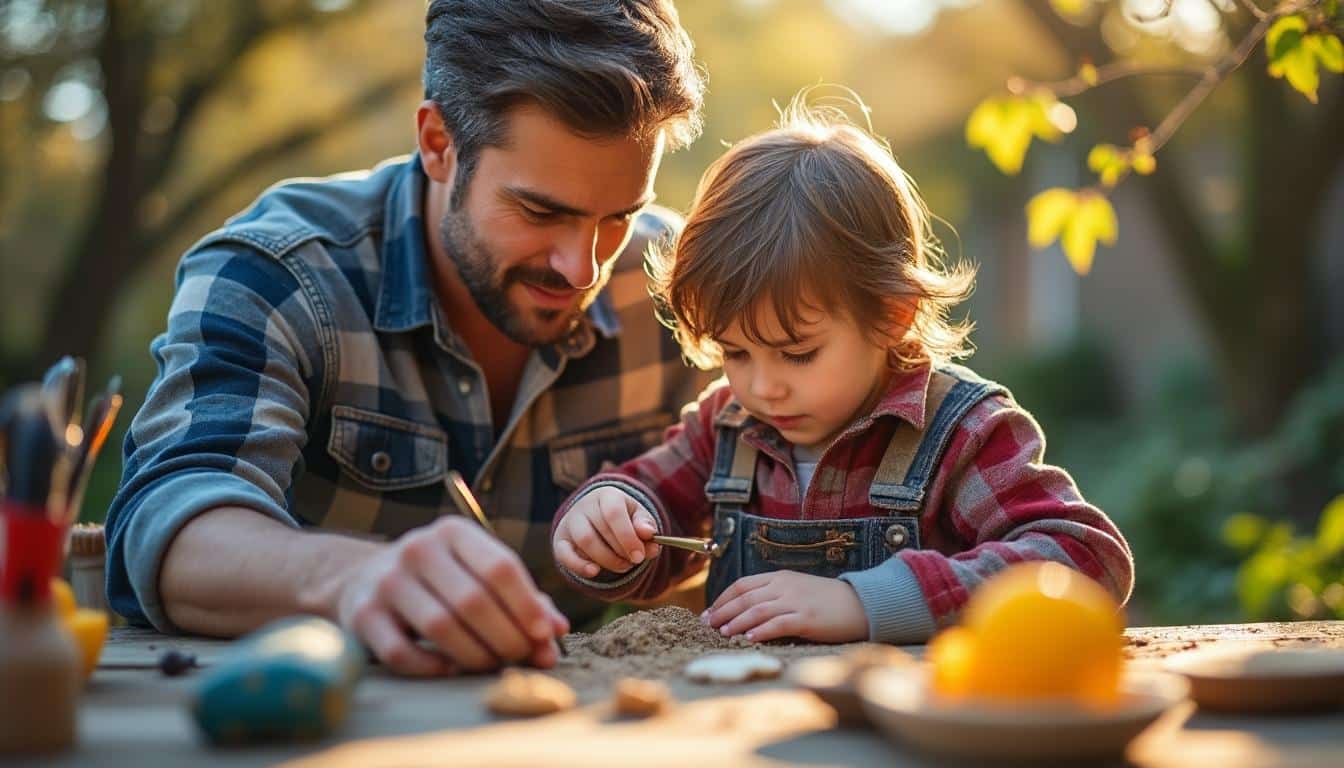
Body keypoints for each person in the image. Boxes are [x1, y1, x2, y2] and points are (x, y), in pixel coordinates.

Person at [104, 0, 711, 675]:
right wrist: (352, 579)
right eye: (541, 211)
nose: (584, 266)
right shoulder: (279, 273)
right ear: (438, 144)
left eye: (619, 216)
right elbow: (167, 526)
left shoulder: (677, 290)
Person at [550, 96, 1135, 645]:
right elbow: (654, 504)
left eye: (798, 353)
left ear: (891, 314)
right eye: (735, 352)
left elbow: (1085, 558)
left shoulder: (962, 431)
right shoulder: (727, 425)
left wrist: (871, 603)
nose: (762, 386)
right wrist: (610, 520)